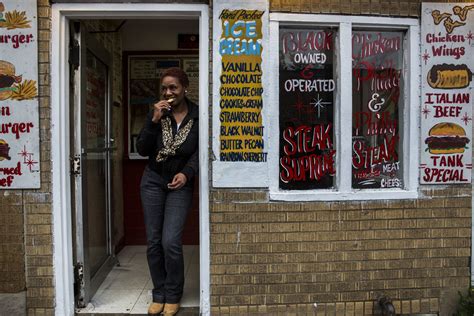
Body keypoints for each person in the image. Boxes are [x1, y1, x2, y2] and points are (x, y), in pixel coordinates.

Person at [136, 67, 198, 316]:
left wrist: (187, 173)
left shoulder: (197, 115)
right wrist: (153, 120)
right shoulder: (158, 115)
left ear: (185, 89)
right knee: (153, 242)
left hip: (180, 184)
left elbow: (198, 151)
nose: (168, 92)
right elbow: (142, 149)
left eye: (173, 87)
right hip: (152, 181)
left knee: (170, 241)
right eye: (164, 88)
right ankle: (159, 292)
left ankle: (173, 293)